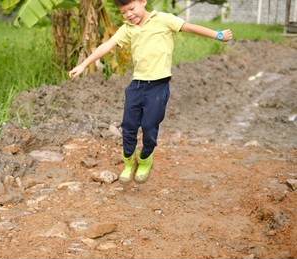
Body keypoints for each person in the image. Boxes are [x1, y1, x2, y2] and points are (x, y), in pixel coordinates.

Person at [69, 0, 233, 185]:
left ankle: (146, 159)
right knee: (128, 127)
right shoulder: (128, 28)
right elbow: (107, 46)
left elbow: (190, 27)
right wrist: (83, 65)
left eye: (132, 9)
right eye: (124, 12)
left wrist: (217, 35)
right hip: (137, 86)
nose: (129, 15)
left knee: (149, 127)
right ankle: (129, 163)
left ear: (143, 2)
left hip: (158, 87)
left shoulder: (163, 19)